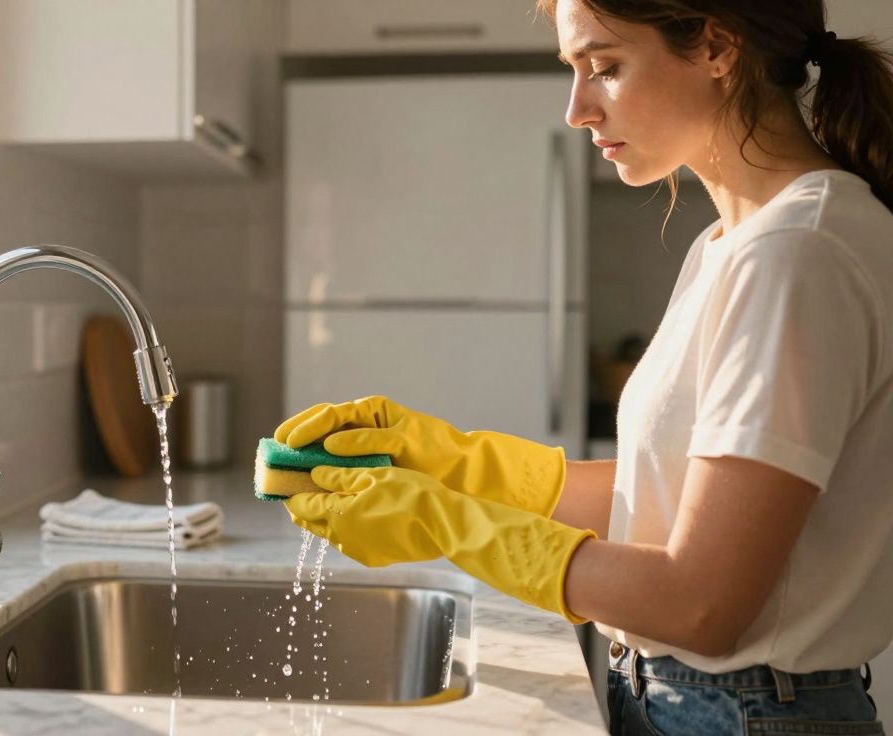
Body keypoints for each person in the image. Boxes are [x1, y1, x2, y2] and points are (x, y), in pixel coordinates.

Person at [274, 1, 893, 733]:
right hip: (702, 705)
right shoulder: (733, 243)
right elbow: (661, 502)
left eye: (605, 67)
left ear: (719, 49)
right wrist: (454, 466)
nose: (576, 110)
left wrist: (446, 525)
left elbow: (700, 604)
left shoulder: (797, 253)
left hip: (742, 714)